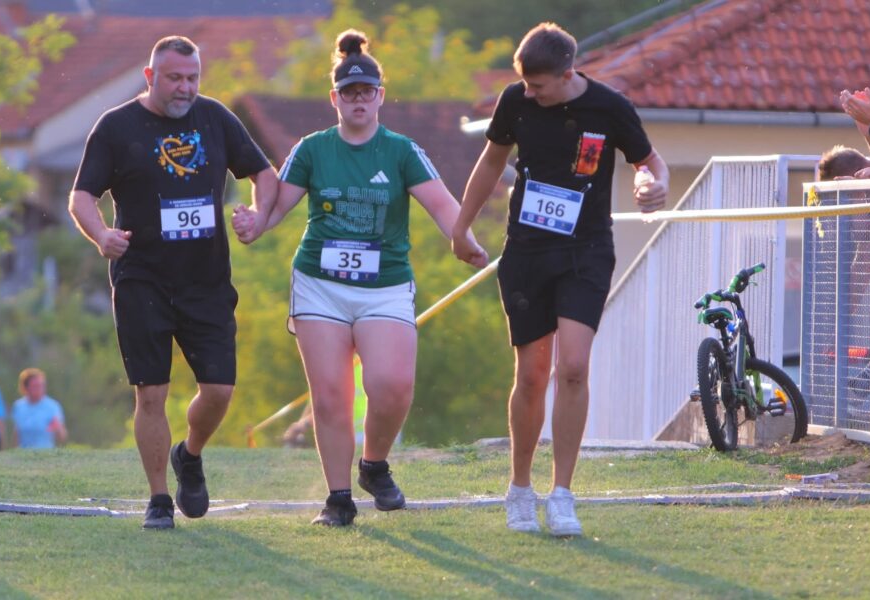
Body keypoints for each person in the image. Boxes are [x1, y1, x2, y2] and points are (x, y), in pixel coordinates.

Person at [232, 29, 487, 526]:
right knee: (331, 397)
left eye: (366, 91)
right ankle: (338, 498)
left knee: (392, 385)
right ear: (335, 99)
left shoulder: (401, 151)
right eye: (348, 92)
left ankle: (374, 464)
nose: (358, 100)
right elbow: (275, 210)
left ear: (380, 96)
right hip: (320, 285)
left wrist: (464, 239)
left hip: (384, 286)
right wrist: (252, 224)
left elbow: (442, 205)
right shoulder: (312, 149)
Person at [451, 22, 669, 536]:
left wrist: (653, 185)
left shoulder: (609, 107)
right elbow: (491, 161)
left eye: (538, 86)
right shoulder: (515, 101)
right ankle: (520, 489)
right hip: (527, 251)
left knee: (572, 367)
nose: (529, 93)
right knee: (532, 374)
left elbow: (650, 163)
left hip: (586, 252)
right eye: (525, 84)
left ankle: (563, 494)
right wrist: (461, 226)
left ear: (568, 73)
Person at [69, 35, 278, 530]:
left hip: (206, 280)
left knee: (219, 390)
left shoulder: (216, 118)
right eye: (174, 78)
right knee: (151, 394)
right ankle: (159, 499)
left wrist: (258, 217)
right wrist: (101, 235)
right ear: (151, 77)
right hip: (142, 278)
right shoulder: (116, 127)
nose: (185, 87)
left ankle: (190, 453)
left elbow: (265, 176)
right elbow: (81, 197)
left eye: (192, 78)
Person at [12, 368, 67, 449]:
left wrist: (58, 428)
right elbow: (17, 434)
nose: (40, 389)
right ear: (26, 388)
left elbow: (62, 437)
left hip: (45, 453)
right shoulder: (19, 406)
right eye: (35, 386)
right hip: (24, 453)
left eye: (41, 385)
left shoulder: (52, 406)